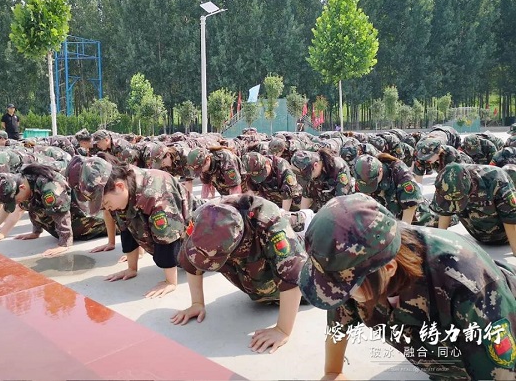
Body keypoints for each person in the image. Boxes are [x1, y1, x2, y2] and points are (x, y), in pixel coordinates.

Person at [299, 193, 516, 381]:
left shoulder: (466, 282)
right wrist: (333, 372)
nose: (341, 296)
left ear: (389, 269)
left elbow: (502, 372)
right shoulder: (351, 268)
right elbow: (338, 324)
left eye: (344, 288)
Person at [172, 195, 307, 354]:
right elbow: (192, 261)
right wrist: (197, 303)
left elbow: (293, 275)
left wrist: (282, 330)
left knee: (309, 285)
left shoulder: (269, 223)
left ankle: (305, 218)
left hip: (299, 250)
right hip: (253, 271)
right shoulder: (203, 218)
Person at [97, 156, 193, 298]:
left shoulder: (156, 194)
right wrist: (131, 269)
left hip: (200, 234)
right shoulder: (121, 192)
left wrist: (170, 282)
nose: (106, 208)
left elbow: (167, 236)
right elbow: (127, 228)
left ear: (120, 187)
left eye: (106, 203)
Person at [0, 163, 107, 257]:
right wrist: (35, 232)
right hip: (67, 223)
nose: (16, 203)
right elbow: (31, 207)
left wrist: (64, 244)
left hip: (87, 221)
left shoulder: (49, 186)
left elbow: (61, 213)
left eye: (15, 200)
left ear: (21, 187)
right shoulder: (25, 183)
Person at [430, 162, 516, 255]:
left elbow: (510, 218)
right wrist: (439, 244)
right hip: (479, 236)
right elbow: (445, 212)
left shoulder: (496, 179)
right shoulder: (445, 182)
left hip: (506, 237)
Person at [353, 153, 455, 227]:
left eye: (371, 183)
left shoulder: (400, 174)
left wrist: (401, 238)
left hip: (417, 220)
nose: (368, 187)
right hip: (391, 218)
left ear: (380, 171)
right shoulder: (363, 174)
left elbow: (409, 211)